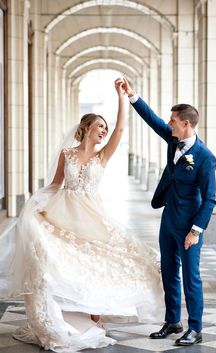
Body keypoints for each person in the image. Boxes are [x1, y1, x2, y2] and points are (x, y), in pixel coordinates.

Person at [0, 78, 163, 353]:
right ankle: (65, 315)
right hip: (63, 211)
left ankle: (94, 313)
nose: (104, 130)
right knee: (62, 262)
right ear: (86, 128)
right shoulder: (67, 154)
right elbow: (55, 184)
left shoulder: (103, 156)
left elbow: (121, 129)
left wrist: (123, 96)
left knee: (97, 261)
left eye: (105, 127)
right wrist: (37, 206)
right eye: (100, 126)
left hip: (91, 214)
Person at [122, 78, 216, 346]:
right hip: (168, 222)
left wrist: (196, 231)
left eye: (174, 121)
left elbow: (210, 200)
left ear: (186, 124)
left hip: (189, 226)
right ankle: (173, 321)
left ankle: (195, 328)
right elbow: (152, 120)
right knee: (168, 273)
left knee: (191, 277)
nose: (170, 124)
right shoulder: (173, 141)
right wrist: (132, 96)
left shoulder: (205, 158)